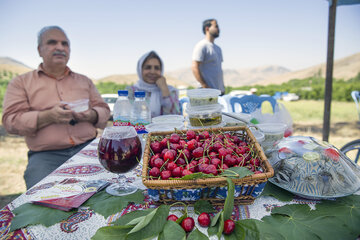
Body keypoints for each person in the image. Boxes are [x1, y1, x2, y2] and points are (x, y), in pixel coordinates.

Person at [2, 26, 110, 189]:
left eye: (64, 44)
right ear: (39, 50)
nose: (60, 47)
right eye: (52, 42)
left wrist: (91, 115)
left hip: (89, 149)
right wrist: (48, 116)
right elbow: (10, 121)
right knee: (43, 203)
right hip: (46, 156)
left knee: (111, 190)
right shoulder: (21, 83)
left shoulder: (84, 81)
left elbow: (104, 110)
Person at [127, 51, 180, 117]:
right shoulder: (131, 91)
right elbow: (127, 117)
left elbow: (174, 118)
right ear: (140, 69)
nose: (152, 71)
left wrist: (164, 89)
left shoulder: (171, 91)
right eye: (148, 67)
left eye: (157, 68)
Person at [192, 18, 225, 95]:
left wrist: (222, 88)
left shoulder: (218, 48)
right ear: (207, 28)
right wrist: (204, 86)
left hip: (219, 92)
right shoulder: (202, 46)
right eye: (216, 26)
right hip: (207, 93)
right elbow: (194, 67)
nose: (218, 29)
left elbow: (218, 70)